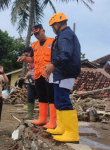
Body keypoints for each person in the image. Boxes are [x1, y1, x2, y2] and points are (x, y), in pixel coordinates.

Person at [43, 12, 81, 142]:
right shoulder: (62, 35)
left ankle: (71, 133)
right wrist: (52, 67)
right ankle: (62, 127)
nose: (52, 29)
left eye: (52, 26)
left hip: (66, 72)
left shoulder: (65, 35)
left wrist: (52, 65)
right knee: (58, 100)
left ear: (57, 24)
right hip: (61, 73)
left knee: (63, 100)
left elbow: (65, 54)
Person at [17, 24, 56, 129]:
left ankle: (52, 121)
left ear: (43, 30)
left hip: (49, 74)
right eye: (34, 34)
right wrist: (24, 58)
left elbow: (57, 58)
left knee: (51, 97)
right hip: (38, 75)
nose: (37, 36)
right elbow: (33, 60)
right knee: (41, 96)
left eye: (38, 33)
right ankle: (42, 118)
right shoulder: (34, 45)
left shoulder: (53, 41)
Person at [22, 47, 37, 119]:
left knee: (43, 98)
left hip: (39, 80)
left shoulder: (37, 58)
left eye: (27, 54)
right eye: (25, 55)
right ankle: (30, 114)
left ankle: (46, 115)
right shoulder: (29, 62)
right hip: (31, 81)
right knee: (30, 97)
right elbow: (30, 70)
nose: (26, 56)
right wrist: (25, 77)